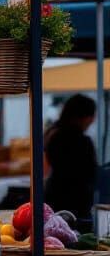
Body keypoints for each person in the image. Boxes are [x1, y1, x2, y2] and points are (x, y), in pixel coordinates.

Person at [45, 94, 97, 227]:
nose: (92, 120)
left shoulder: (52, 133)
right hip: (76, 202)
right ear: (82, 116)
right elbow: (91, 173)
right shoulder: (82, 141)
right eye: (91, 116)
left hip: (52, 195)